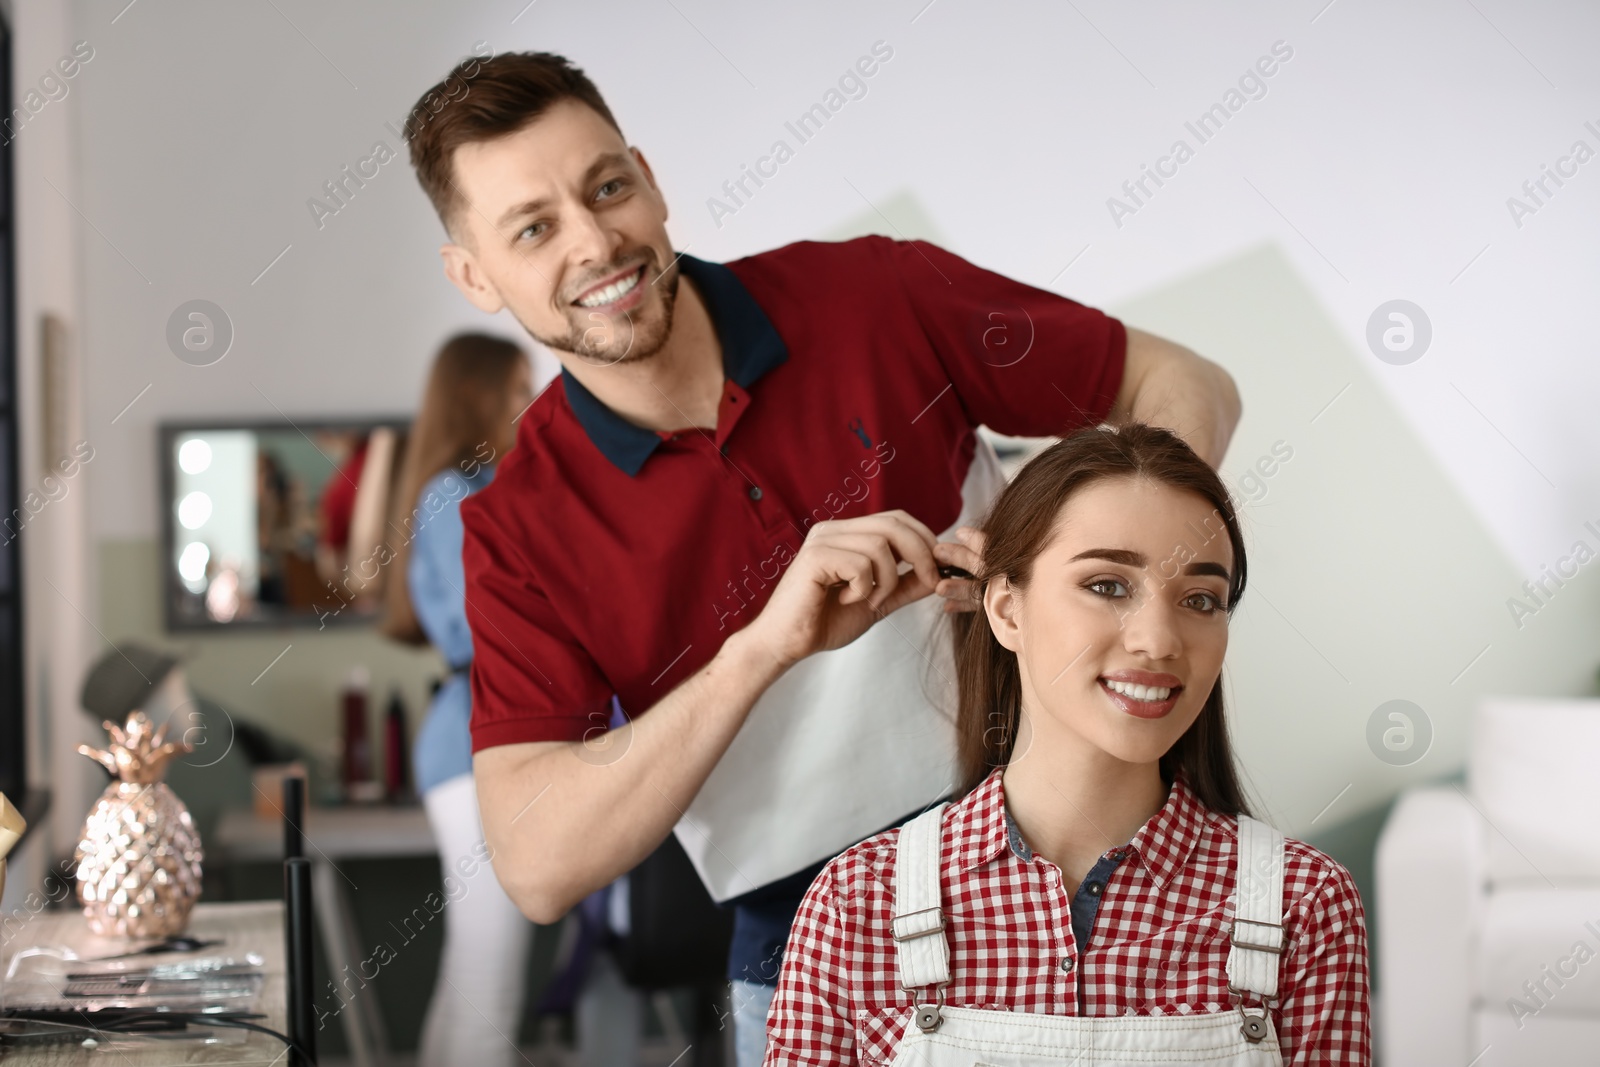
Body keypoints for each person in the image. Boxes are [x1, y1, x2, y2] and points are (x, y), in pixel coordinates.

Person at [398, 51, 1242, 1067]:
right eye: (533, 228)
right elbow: (536, 866)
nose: (595, 241)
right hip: (807, 954)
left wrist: (1066, 567)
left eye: (607, 187)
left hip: (1090, 873)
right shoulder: (518, 523)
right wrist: (763, 648)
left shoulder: (873, 292)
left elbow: (1183, 380)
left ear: (650, 179)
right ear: (475, 276)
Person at [765, 423, 1371, 1066]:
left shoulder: (1305, 905)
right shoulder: (858, 903)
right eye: (1108, 585)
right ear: (1006, 610)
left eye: (1201, 598)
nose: (1159, 640)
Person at [379, 332, 537, 1067]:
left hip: (481, 741)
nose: (528, 406)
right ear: (477, 397)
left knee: (473, 974)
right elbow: (475, 630)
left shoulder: (481, 491)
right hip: (471, 743)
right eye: (516, 390)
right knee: (490, 979)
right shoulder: (451, 494)